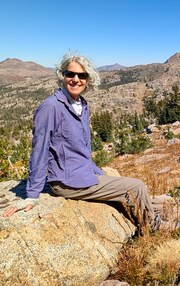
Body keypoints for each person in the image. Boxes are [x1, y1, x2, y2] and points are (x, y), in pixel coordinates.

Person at [2, 52, 162, 233]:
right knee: (136, 186)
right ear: (62, 76)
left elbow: (83, 149)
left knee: (142, 196)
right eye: (70, 74)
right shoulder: (51, 107)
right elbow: (40, 149)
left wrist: (98, 173)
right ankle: (154, 228)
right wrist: (32, 195)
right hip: (68, 182)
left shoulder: (82, 105)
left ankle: (159, 213)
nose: (76, 79)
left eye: (82, 75)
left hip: (84, 173)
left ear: (88, 79)